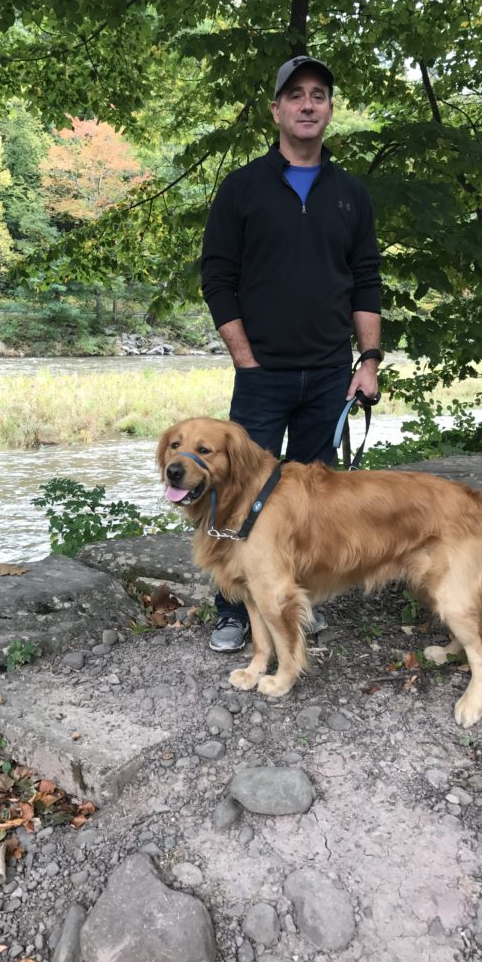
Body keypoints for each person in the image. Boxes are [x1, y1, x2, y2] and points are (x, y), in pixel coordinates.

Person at [200, 54, 383, 652]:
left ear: (329, 110)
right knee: (233, 493)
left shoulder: (351, 193)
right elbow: (218, 278)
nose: (309, 104)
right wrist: (246, 360)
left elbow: (365, 281)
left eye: (319, 95)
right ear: (276, 109)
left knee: (313, 503)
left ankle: (295, 604)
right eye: (297, 95)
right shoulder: (243, 187)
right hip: (264, 376)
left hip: (331, 374)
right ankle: (232, 608)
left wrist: (368, 361)